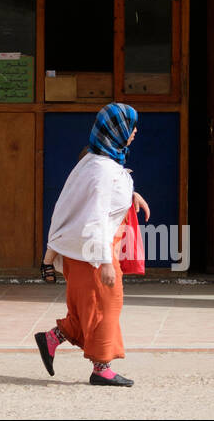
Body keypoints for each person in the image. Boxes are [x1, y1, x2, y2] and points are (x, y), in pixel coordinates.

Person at [34, 102, 149, 387]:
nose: (134, 132)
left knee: (87, 307)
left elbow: (103, 195)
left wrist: (131, 195)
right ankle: (102, 369)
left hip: (83, 251)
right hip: (95, 252)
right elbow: (95, 215)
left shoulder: (96, 161)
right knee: (105, 306)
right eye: (130, 127)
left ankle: (51, 339)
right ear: (116, 131)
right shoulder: (101, 169)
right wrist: (106, 262)